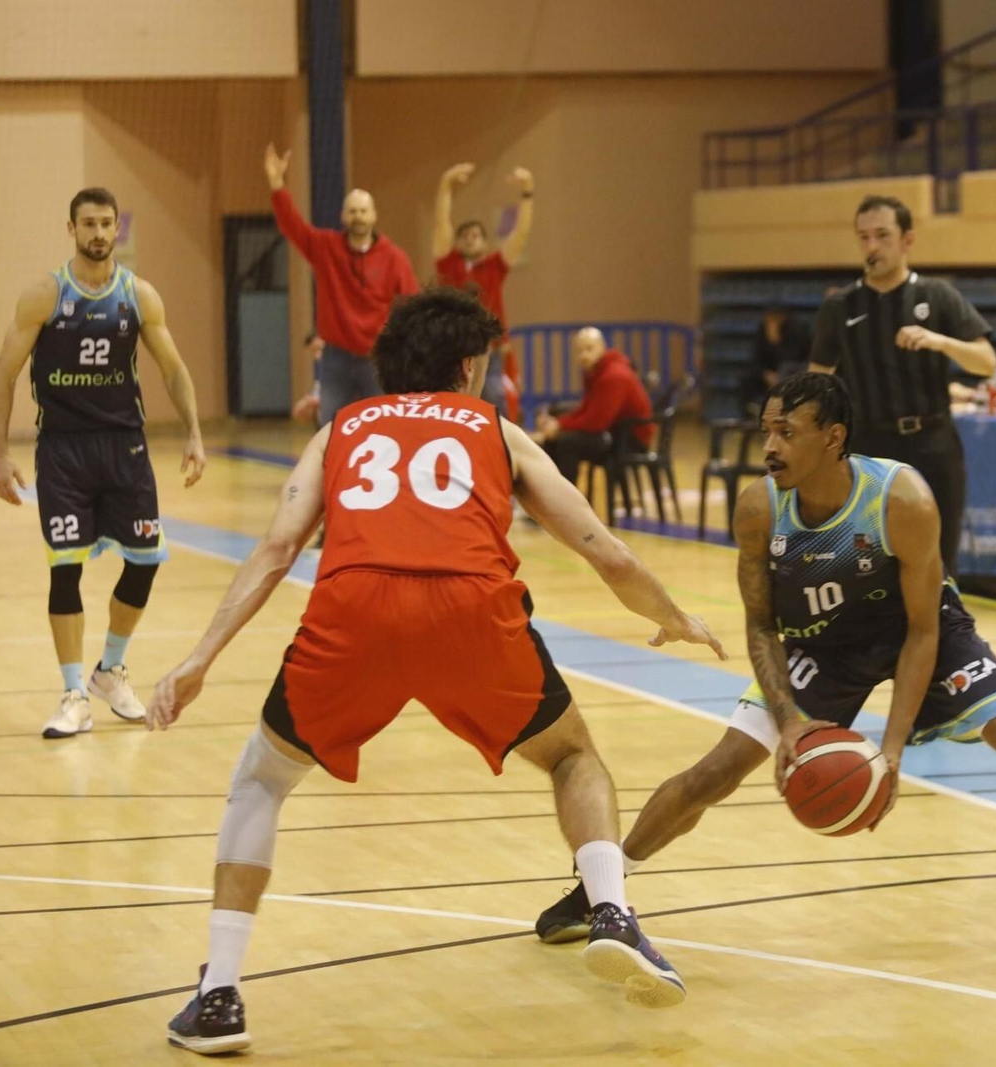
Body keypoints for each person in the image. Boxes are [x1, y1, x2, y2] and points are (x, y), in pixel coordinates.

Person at [146, 288, 726, 1054]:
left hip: (355, 608)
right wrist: (672, 614)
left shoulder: (340, 428)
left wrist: (198, 659)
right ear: (469, 365)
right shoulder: (497, 428)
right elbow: (600, 545)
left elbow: (278, 549)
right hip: (472, 611)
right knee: (573, 755)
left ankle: (219, 993)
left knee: (261, 779)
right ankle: (613, 909)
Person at [532, 373, 996, 951]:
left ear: (832, 438)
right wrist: (789, 719)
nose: (769, 445)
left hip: (918, 631)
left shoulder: (901, 499)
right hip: (821, 642)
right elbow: (763, 623)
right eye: (766, 429)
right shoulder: (757, 509)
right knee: (715, 771)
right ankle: (603, 887)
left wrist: (889, 751)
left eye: (786, 433)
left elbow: (922, 630)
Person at [0, 186, 207, 739]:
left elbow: (174, 369)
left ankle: (110, 669)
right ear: (71, 229)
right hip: (62, 449)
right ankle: (72, 693)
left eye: (107, 223)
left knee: (147, 560)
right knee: (66, 568)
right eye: (89, 224)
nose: (100, 233)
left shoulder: (138, 296)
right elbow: (2, 376)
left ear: (116, 229)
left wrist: (195, 432)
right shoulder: (44, 295)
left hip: (124, 447)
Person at [809, 195, 996, 576]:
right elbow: (818, 382)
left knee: (938, 563)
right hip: (868, 448)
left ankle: (941, 634)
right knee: (869, 562)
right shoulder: (840, 306)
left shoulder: (938, 295)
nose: (872, 246)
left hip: (932, 443)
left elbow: (987, 362)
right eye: (863, 237)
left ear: (908, 239)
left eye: (882, 235)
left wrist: (940, 341)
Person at [264, 142, 419, 427]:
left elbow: (412, 306)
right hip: (335, 357)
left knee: (384, 426)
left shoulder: (395, 258)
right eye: (352, 211)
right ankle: (333, 472)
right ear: (343, 216)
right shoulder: (325, 248)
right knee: (331, 427)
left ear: (373, 216)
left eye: (363, 211)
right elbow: (293, 226)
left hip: (378, 357)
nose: (358, 217)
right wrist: (277, 186)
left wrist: (403, 350)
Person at [432, 161, 534, 422]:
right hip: (451, 347)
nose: (470, 237)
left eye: (476, 234)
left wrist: (527, 194)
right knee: (450, 406)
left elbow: (520, 234)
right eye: (464, 234)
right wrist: (445, 185)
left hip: (488, 349)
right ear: (457, 241)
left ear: (485, 242)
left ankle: (498, 454)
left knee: (494, 402)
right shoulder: (448, 262)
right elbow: (442, 223)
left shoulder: (494, 266)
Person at [534, 327, 654, 484]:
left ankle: (566, 502)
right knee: (556, 439)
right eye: (580, 350)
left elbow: (596, 422)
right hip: (615, 432)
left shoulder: (613, 375)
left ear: (602, 348)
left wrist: (559, 426)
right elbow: (587, 409)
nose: (584, 355)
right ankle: (550, 497)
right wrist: (557, 423)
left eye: (589, 348)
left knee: (567, 442)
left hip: (629, 441)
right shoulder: (595, 371)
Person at [740, 303, 811, 415]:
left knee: (787, 370)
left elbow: (792, 358)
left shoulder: (797, 329)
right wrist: (765, 374)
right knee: (746, 379)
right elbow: (755, 358)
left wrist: (776, 342)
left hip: (793, 372)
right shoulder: (762, 329)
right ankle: (750, 416)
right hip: (768, 373)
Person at [289, 331, 325, 423]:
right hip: (322, 390)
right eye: (313, 350)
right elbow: (319, 381)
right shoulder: (318, 358)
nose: (315, 353)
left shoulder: (331, 355)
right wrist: (313, 395)